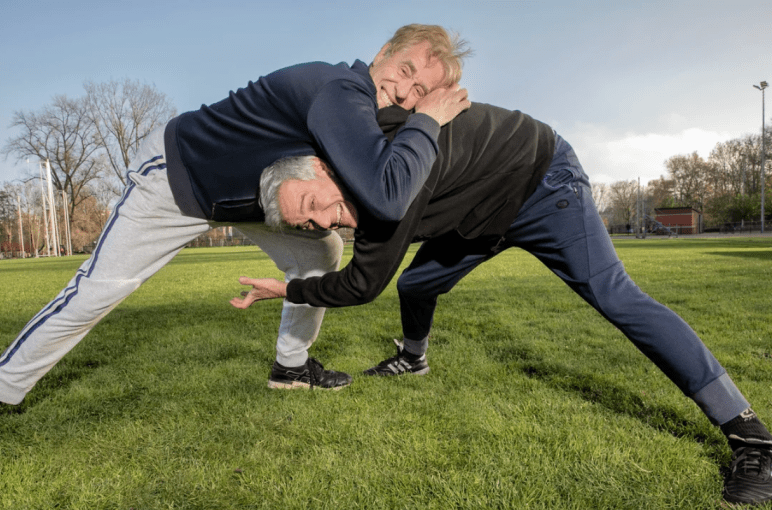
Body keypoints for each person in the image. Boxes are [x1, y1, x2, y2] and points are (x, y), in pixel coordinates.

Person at [0, 24, 472, 454]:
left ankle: (291, 368)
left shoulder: (370, 111)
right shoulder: (338, 87)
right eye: (405, 72)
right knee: (96, 291)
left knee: (323, 251)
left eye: (421, 91)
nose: (406, 93)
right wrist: (427, 119)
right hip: (176, 184)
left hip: (254, 201)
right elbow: (387, 191)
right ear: (381, 52)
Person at [232, 103, 772, 505]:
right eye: (310, 226)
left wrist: (287, 288)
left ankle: (751, 437)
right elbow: (368, 277)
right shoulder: (365, 197)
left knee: (615, 296)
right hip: (478, 214)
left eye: (313, 205)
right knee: (416, 285)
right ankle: (415, 356)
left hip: (539, 181)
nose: (325, 222)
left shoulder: (381, 166)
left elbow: (360, 285)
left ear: (322, 168)